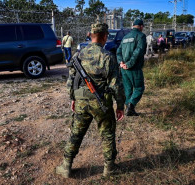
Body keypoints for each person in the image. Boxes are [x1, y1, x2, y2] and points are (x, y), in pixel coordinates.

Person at [56, 23, 125, 178]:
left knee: (76, 133)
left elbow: (71, 80)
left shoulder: (77, 55)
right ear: (105, 36)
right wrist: (120, 105)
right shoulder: (108, 57)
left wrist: (73, 98)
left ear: (90, 35)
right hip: (101, 103)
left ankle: (66, 166)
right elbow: (116, 85)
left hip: (81, 101)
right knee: (107, 134)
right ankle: (109, 168)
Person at [116, 19, 146, 116]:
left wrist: (121, 63)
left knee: (128, 88)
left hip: (124, 69)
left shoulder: (125, 37)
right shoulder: (141, 36)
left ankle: (128, 108)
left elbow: (118, 52)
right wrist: (129, 64)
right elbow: (138, 51)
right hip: (134, 68)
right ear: (141, 26)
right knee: (139, 88)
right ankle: (131, 106)